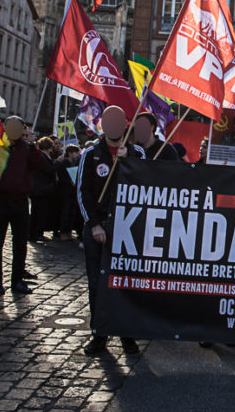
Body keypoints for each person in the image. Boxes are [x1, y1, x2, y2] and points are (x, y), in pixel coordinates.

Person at [77, 105, 145, 356]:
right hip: (98, 228)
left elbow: (147, 185)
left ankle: (127, 335)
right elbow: (82, 192)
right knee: (96, 284)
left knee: (125, 284)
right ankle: (99, 334)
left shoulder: (137, 152)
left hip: (127, 229)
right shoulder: (91, 153)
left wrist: (130, 163)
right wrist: (94, 224)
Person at [0, 116, 51, 296]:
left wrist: (32, 144)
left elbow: (41, 164)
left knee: (20, 242)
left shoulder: (28, 149)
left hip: (20, 201)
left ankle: (17, 280)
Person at [28, 136, 57, 243]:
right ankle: (36, 234)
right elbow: (49, 170)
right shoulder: (43, 156)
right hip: (41, 188)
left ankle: (34, 233)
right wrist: (57, 163)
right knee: (39, 213)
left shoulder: (43, 155)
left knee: (36, 212)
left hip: (39, 188)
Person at [55, 144, 83, 241]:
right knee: (65, 212)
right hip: (65, 191)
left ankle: (69, 231)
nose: (76, 155)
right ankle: (63, 232)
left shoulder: (77, 162)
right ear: (70, 153)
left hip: (73, 191)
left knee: (72, 212)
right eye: (74, 153)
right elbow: (60, 176)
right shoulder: (63, 162)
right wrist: (68, 181)